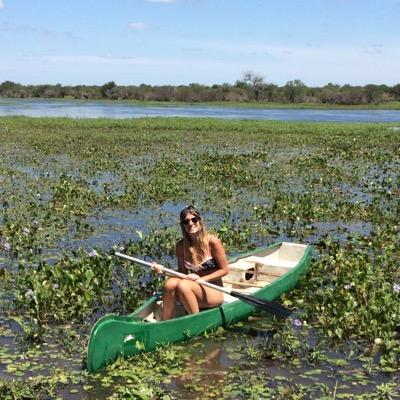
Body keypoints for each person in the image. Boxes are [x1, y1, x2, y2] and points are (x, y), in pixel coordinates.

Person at [152, 205, 229, 320]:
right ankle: (165, 321)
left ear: (200, 221)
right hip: (194, 287)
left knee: (184, 285)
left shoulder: (212, 241)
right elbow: (182, 272)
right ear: (182, 225)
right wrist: (163, 271)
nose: (191, 223)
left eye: (194, 219)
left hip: (213, 289)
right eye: (186, 221)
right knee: (170, 284)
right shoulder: (180, 246)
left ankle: (195, 321)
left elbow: (224, 270)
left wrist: (202, 280)